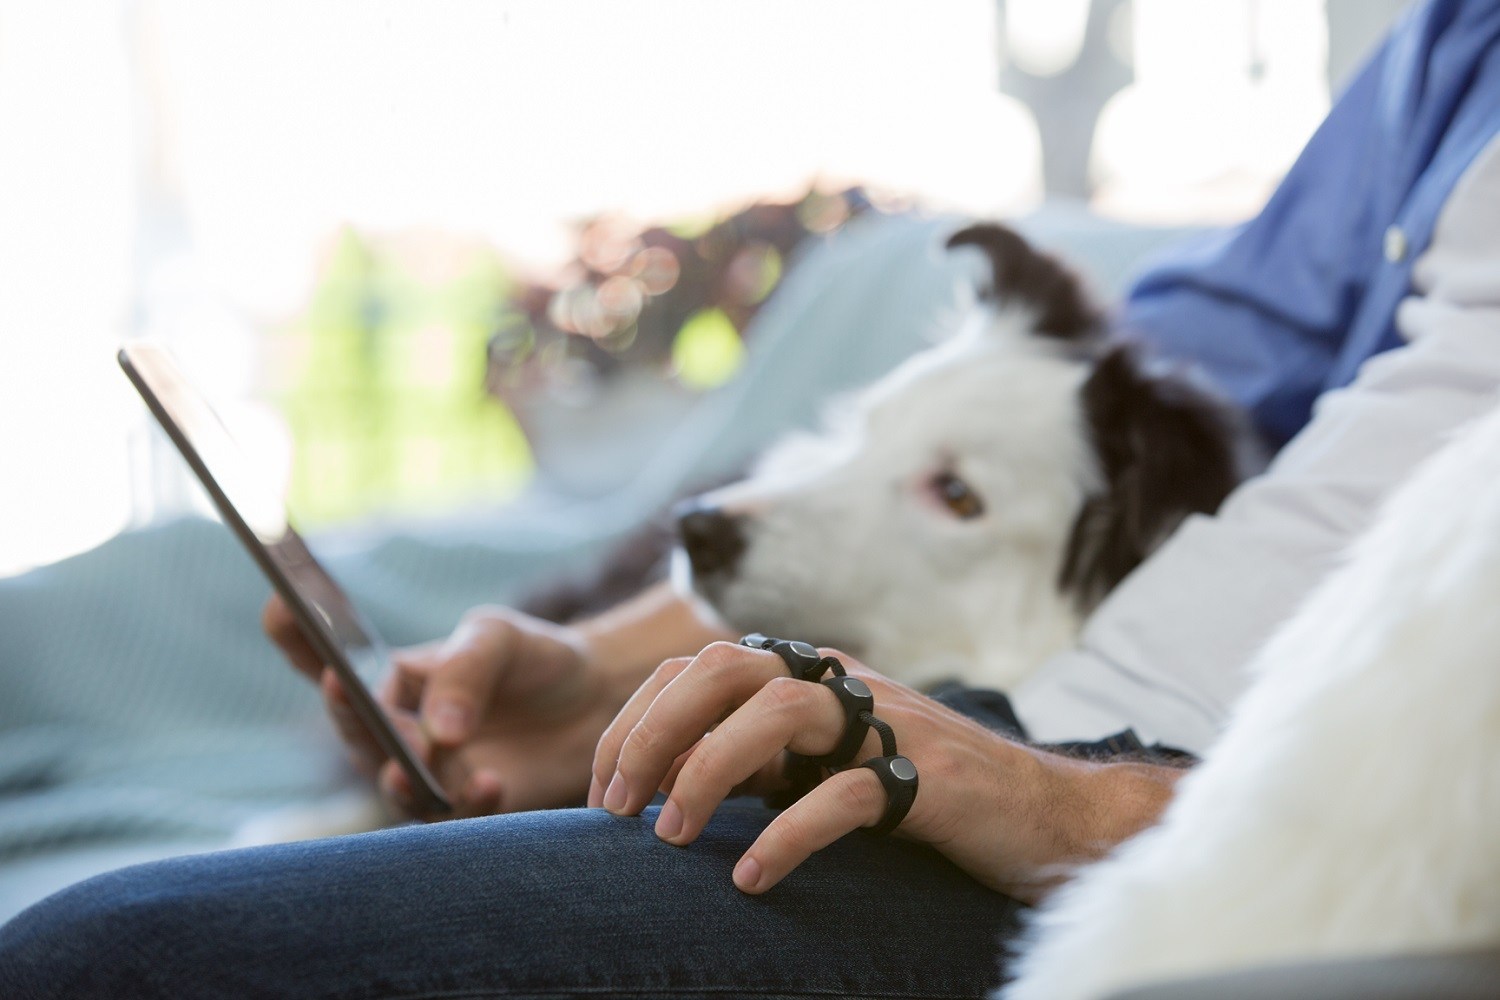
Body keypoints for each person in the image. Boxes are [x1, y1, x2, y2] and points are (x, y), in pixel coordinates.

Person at [3, 1, 1498, 996]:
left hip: (1189, 848)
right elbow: (1185, 363)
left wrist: (1076, 809)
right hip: (995, 745)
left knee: (102, 964)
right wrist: (602, 676)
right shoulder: (1453, 47)